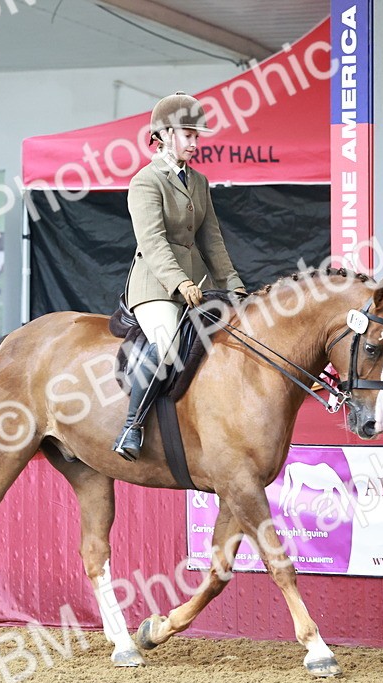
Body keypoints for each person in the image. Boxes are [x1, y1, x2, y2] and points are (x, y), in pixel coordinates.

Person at [112, 91, 246, 461]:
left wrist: (234, 286)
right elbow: (152, 241)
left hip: (198, 286)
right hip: (156, 286)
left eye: (197, 136)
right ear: (164, 135)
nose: (195, 142)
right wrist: (179, 282)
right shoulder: (145, 181)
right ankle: (131, 427)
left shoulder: (199, 182)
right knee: (168, 342)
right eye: (188, 135)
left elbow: (212, 240)